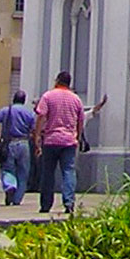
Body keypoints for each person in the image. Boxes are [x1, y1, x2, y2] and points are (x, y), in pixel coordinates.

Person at [34, 71, 86, 216]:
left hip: (51, 140)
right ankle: (69, 202)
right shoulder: (76, 99)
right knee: (68, 171)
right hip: (69, 141)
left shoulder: (48, 96)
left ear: (57, 80)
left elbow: (41, 116)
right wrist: (78, 136)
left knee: (48, 173)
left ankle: (45, 204)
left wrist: (37, 135)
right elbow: (80, 120)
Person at [0, 90, 35, 207]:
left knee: (7, 168)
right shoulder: (29, 113)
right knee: (23, 171)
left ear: (14, 99)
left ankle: (10, 186)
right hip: (24, 143)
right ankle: (17, 199)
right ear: (24, 100)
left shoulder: (6, 110)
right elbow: (34, 129)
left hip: (9, 143)